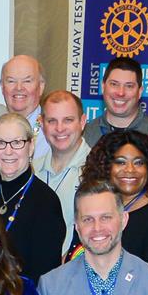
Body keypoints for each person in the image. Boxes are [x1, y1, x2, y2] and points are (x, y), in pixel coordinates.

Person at [0, 113, 68, 281]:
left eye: (17, 143)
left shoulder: (46, 202)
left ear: (31, 147)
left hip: (24, 294)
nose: (8, 151)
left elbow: (44, 276)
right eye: (0, 143)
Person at [81, 129, 148, 275]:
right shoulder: (92, 206)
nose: (130, 169)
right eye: (121, 162)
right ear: (106, 166)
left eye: (138, 163)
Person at [34, 90, 92, 225]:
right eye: (52, 121)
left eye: (68, 120)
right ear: (41, 123)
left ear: (82, 122)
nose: (59, 129)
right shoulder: (32, 171)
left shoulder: (99, 170)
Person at [85, 57, 148, 146]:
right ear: (103, 87)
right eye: (114, 84)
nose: (120, 93)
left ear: (140, 92)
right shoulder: (85, 135)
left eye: (129, 86)